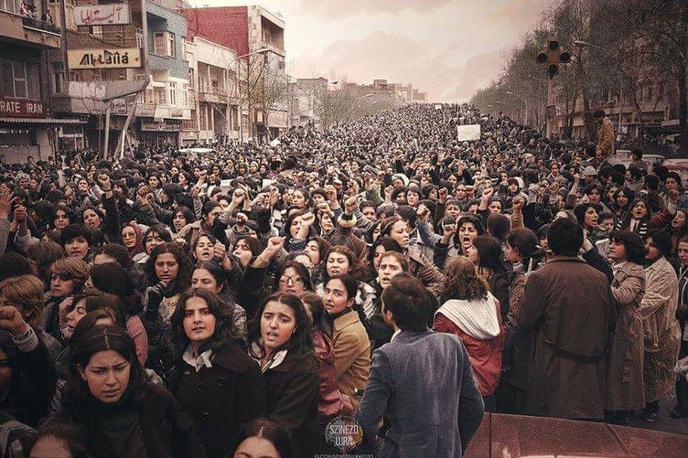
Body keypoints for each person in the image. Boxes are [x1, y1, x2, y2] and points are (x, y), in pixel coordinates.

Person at [355, 273, 484, 457]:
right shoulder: (453, 344)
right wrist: (453, 446)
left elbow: (366, 421)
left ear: (388, 313)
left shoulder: (388, 355)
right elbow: (474, 408)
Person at [50, 325, 206, 457]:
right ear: (82, 371)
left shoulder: (157, 400)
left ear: (130, 364)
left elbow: (191, 445)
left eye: (119, 368)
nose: (111, 381)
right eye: (99, 371)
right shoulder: (67, 421)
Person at [522, 217, 615, 420]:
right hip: (592, 371)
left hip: (553, 370)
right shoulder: (600, 278)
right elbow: (611, 324)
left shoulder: (541, 276)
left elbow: (527, 320)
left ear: (551, 244)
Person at [169, 288, 266, 457]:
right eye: (189, 314)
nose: (197, 319)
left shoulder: (243, 368)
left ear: (218, 318)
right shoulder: (179, 366)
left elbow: (251, 429)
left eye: (205, 312)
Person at [246, 293, 320, 456]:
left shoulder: (304, 368)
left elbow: (284, 424)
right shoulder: (247, 352)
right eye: (268, 316)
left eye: (284, 319)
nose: (273, 325)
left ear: (296, 327)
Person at [435, 256, 503, 411]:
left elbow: (442, 357)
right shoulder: (493, 303)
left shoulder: (446, 315)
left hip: (462, 389)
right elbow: (501, 340)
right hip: (491, 380)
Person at [639, 230, 681, 423]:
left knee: (654, 374)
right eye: (646, 243)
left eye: (653, 245)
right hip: (645, 329)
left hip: (659, 331)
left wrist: (626, 303)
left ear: (662, 248)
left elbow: (650, 300)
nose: (648, 247)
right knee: (644, 370)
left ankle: (652, 408)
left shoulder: (664, 271)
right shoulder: (646, 264)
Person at [606, 230, 647, 425]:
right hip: (615, 324)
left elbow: (623, 296)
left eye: (618, 243)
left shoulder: (635, 271)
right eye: (612, 242)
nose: (612, 246)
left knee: (623, 371)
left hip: (626, 327)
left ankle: (622, 413)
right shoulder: (615, 266)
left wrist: (600, 282)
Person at [322, 274, 370, 410]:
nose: (329, 298)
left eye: (337, 294)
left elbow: (328, 375)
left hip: (348, 408)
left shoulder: (351, 334)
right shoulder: (331, 319)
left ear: (350, 302)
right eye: (327, 291)